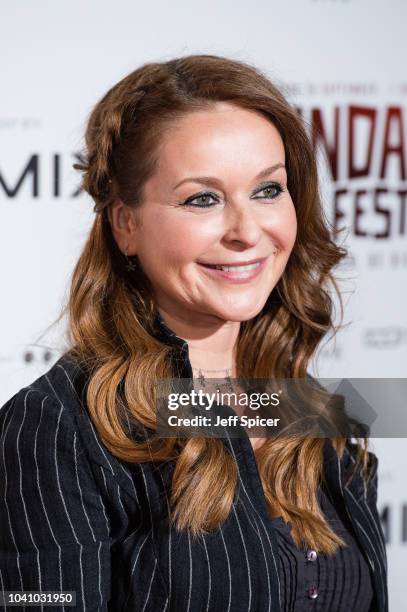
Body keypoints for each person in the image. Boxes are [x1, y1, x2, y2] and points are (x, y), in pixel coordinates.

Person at [0, 54, 388, 611]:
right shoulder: (59, 427)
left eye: (268, 190)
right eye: (202, 199)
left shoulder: (311, 410)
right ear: (125, 224)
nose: (247, 231)